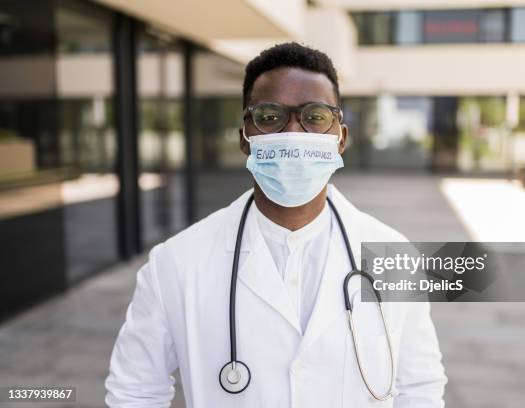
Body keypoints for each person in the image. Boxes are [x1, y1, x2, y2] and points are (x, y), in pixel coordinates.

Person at [105, 42, 446, 407]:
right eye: (270, 116)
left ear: (341, 139)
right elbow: (134, 393)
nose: (294, 133)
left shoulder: (393, 255)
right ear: (245, 140)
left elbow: (419, 388)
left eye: (315, 117)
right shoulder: (174, 264)